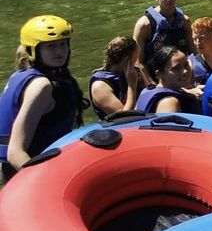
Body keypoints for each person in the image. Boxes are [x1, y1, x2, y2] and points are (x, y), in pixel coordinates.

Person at [1, 15, 84, 179]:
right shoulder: (42, 86)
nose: (59, 51)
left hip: (24, 170)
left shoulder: (20, 75)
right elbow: (15, 152)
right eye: (51, 46)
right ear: (33, 50)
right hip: (27, 172)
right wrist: (48, 182)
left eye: (62, 44)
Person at [133, 0, 194, 83]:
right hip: (157, 79)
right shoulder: (145, 25)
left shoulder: (184, 21)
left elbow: (194, 53)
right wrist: (151, 86)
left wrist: (192, 78)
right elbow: (137, 62)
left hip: (183, 76)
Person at [136, 46, 203, 115]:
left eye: (186, 65)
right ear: (159, 74)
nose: (185, 71)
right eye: (176, 69)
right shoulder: (169, 103)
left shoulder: (150, 90)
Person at [89, 36, 143, 119]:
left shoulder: (133, 73)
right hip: (118, 129)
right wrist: (132, 86)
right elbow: (125, 118)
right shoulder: (100, 86)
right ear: (126, 61)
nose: (136, 63)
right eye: (135, 59)